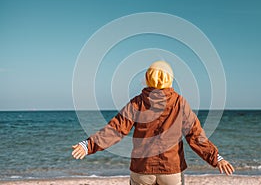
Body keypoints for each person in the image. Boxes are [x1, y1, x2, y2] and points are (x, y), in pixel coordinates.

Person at [72, 61, 234, 185]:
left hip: (142, 170)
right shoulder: (179, 103)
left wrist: (88, 145)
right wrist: (217, 158)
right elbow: (196, 136)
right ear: (170, 80)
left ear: (148, 79)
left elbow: (115, 129)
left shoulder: (137, 102)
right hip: (171, 171)